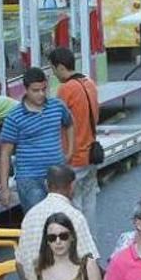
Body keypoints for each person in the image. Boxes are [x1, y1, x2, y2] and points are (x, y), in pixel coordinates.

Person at [0, 67, 74, 211]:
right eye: (36, 90)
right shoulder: (14, 117)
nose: (41, 94)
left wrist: (69, 152)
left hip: (57, 177)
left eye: (44, 89)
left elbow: (69, 124)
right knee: (39, 221)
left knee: (61, 219)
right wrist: (4, 188)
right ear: (26, 89)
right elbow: (5, 154)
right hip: (30, 180)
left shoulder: (57, 106)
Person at [16, 165, 100, 280]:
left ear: (46, 184)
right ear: (72, 186)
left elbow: (19, 262)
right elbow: (90, 260)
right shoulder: (74, 216)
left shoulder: (30, 215)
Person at [48, 47, 102, 222]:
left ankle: (77, 247)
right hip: (91, 153)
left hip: (74, 156)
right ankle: (91, 245)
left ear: (61, 67)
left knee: (74, 208)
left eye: (53, 69)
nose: (54, 74)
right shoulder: (90, 83)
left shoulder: (66, 90)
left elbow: (56, 120)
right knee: (90, 204)